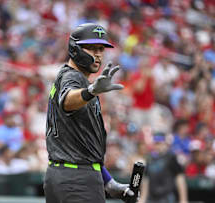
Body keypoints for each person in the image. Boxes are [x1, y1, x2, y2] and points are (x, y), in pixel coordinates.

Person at [44, 23, 135, 203]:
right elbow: (67, 101)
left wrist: (108, 182)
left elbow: (84, 145)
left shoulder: (72, 77)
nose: (98, 54)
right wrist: (91, 90)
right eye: (92, 48)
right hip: (77, 181)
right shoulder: (73, 77)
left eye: (101, 49)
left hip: (66, 176)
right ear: (75, 48)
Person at [139, 132, 188, 203]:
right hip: (151, 198)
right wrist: (142, 198)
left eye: (160, 143)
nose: (158, 146)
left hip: (167, 197)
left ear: (165, 143)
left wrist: (183, 199)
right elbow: (146, 180)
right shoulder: (150, 158)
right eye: (156, 143)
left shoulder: (171, 157)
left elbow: (180, 178)